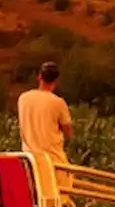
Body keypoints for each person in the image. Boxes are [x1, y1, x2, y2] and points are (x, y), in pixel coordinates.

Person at [17, 61, 75, 197]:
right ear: (56, 80)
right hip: (53, 163)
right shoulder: (58, 103)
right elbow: (68, 132)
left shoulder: (23, 99)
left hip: (30, 162)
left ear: (39, 77)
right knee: (57, 203)